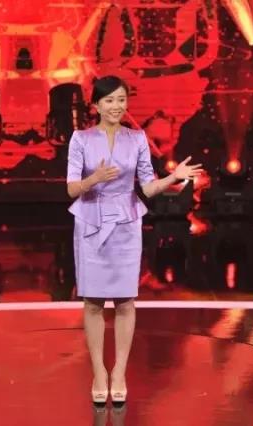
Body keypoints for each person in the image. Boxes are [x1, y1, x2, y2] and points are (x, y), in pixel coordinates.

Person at [65, 75, 203, 405]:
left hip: (126, 224)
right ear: (96, 105)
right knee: (93, 303)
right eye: (109, 100)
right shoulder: (80, 138)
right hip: (91, 222)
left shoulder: (137, 138)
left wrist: (172, 178)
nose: (117, 106)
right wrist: (94, 179)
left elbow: (147, 187)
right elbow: (71, 189)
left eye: (122, 100)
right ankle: (99, 372)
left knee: (125, 302)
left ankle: (119, 373)